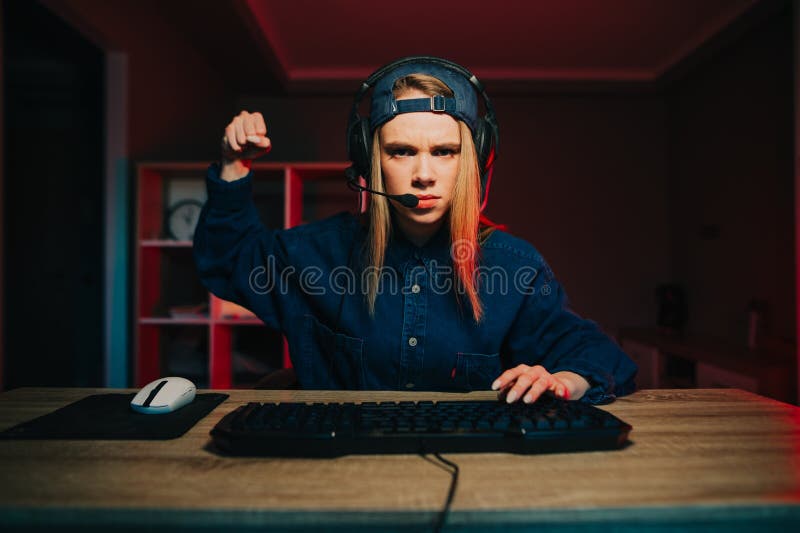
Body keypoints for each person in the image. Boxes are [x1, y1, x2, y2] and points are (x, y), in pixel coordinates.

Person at [193, 56, 637, 404]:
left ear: (474, 161)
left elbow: (600, 356)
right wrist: (235, 166)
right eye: (402, 151)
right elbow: (227, 261)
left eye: (444, 151)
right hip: (340, 482)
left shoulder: (515, 268)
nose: (424, 175)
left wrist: (562, 380)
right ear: (371, 161)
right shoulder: (317, 255)